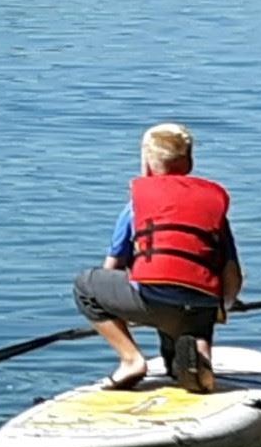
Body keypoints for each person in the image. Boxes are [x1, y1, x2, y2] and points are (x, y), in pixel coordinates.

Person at [73, 123, 243, 394]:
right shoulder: (211, 208)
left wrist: (119, 311)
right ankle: (197, 358)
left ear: (147, 165)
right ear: (189, 162)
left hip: (153, 301)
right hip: (201, 307)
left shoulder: (136, 206)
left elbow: (112, 268)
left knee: (86, 287)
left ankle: (131, 360)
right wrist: (224, 306)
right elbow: (232, 274)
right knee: (188, 322)